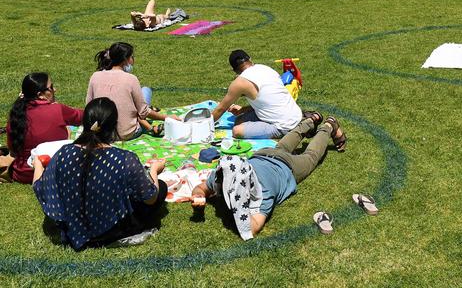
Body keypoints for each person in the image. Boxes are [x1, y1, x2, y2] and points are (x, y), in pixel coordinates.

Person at [32, 98, 168, 250]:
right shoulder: (125, 159)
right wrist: (154, 171)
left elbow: (40, 188)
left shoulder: (64, 154)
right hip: (113, 228)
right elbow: (150, 198)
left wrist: (38, 165)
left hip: (74, 224)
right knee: (160, 187)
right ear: (114, 125)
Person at [190, 114, 346, 239]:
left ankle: (328, 126)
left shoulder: (262, 191)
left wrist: (239, 207)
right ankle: (311, 120)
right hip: (265, 154)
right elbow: (201, 188)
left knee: (311, 156)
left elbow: (253, 227)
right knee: (282, 146)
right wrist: (198, 197)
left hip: (287, 167)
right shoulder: (223, 173)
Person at [210, 50, 324, 140]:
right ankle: (306, 119)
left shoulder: (239, 82)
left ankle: (298, 130)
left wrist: (204, 126)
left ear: (234, 70)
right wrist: (242, 110)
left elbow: (220, 109)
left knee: (236, 131)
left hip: (282, 125)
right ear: (250, 59)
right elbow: (268, 101)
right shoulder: (265, 68)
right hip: (294, 113)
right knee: (239, 119)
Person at [87, 42, 178, 139]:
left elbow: (89, 106)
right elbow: (143, 112)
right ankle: (149, 126)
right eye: (132, 57)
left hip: (101, 133)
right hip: (126, 133)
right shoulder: (131, 79)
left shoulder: (95, 76)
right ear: (126, 59)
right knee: (146, 91)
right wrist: (167, 117)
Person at [5, 73, 83, 183]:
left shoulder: (16, 114)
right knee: (71, 131)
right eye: (50, 87)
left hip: (23, 174)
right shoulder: (57, 109)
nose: (54, 89)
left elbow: (13, 150)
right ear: (40, 95)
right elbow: (83, 116)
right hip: (55, 171)